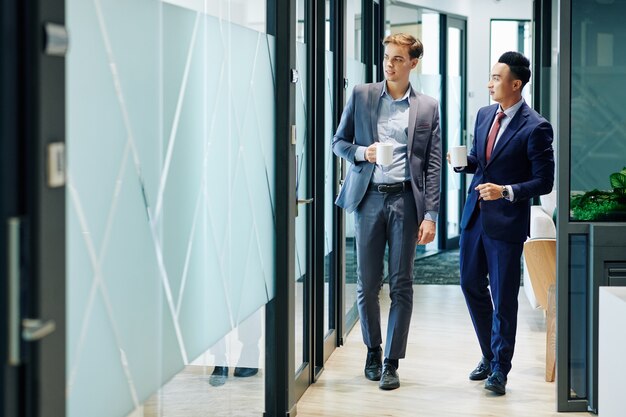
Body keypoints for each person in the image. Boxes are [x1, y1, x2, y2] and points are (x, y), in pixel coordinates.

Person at [333, 33, 441, 390]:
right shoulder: (362, 95)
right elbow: (339, 142)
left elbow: (433, 165)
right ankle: (372, 350)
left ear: (413, 62)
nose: (390, 64)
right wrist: (362, 153)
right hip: (368, 199)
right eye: (387, 57)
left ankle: (393, 362)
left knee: (402, 284)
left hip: (406, 202)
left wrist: (430, 215)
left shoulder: (427, 107)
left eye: (398, 59)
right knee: (366, 283)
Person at [448, 51, 554, 395]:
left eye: (496, 78)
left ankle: (500, 370)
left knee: (505, 297)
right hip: (475, 215)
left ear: (515, 84)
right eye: (491, 76)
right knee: (469, 284)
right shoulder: (483, 115)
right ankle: (489, 355)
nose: (489, 83)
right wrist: (463, 163)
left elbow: (544, 181)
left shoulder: (536, 126)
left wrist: (506, 191)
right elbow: (483, 161)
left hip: (507, 222)